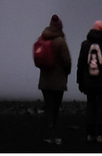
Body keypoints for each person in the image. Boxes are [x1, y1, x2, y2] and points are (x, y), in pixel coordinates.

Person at [35, 14, 72, 144]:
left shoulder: (42, 38)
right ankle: (52, 133)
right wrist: (67, 72)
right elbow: (67, 61)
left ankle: (48, 133)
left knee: (48, 106)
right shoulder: (60, 42)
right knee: (54, 107)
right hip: (57, 81)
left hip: (45, 81)